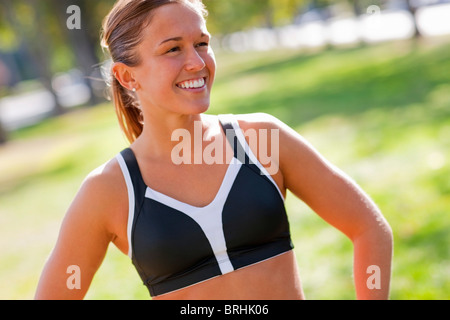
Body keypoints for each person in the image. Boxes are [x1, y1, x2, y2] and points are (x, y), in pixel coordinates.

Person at [35, 0, 393, 300]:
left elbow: (369, 228)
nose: (196, 62)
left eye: (202, 43)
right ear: (128, 77)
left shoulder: (261, 141)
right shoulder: (110, 189)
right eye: (173, 49)